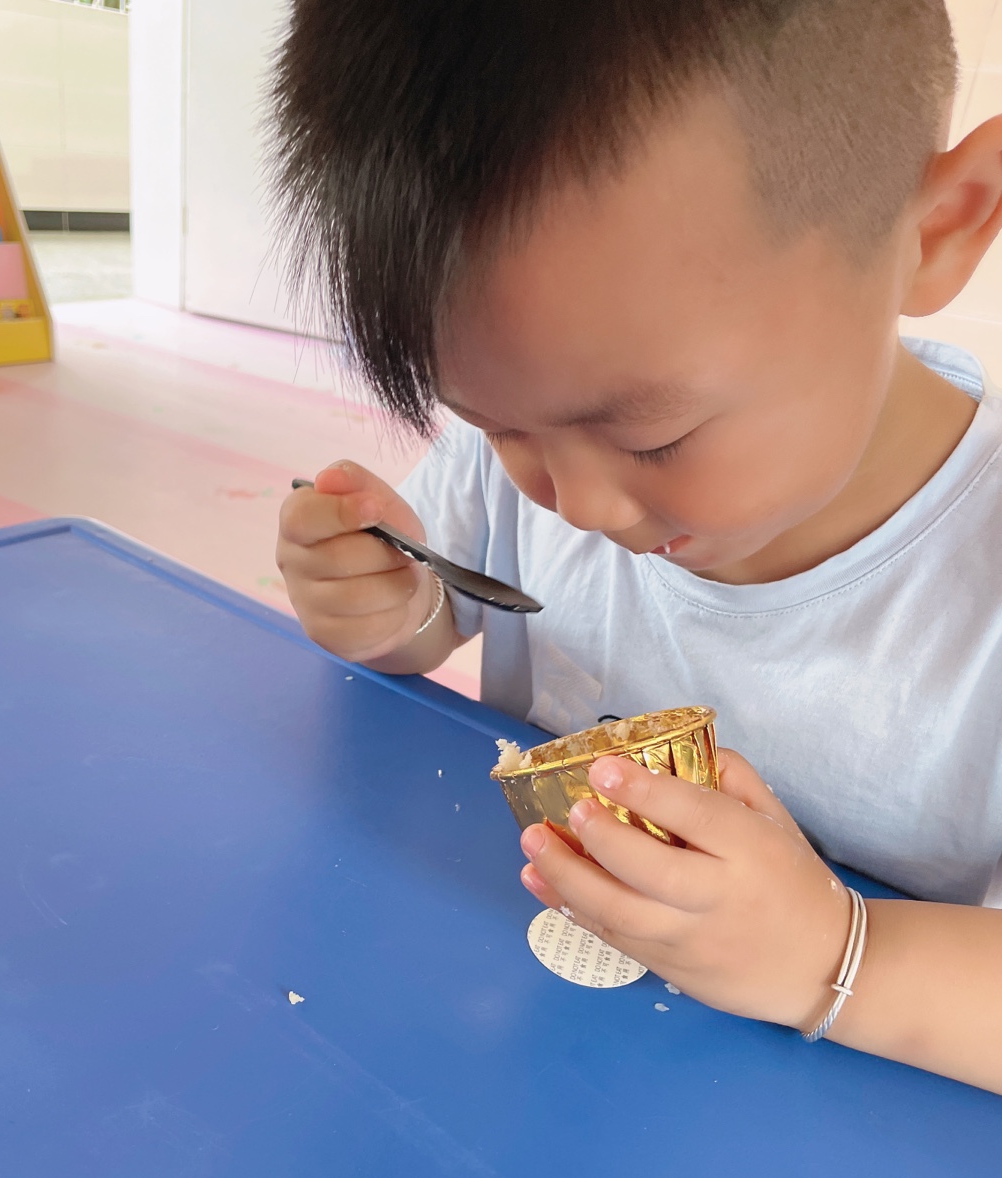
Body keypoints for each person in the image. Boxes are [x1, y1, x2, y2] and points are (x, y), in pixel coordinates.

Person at [270, 0, 1002, 1091]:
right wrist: (387, 609)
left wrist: (835, 956)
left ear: (938, 231)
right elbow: (432, 626)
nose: (575, 503)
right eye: (494, 425)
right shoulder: (552, 420)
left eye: (655, 437)